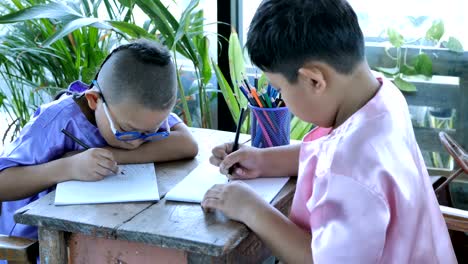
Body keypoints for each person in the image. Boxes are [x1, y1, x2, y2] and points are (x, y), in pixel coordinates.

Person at [202, 0, 456, 263]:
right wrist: (263, 160)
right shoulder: (382, 96)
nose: (282, 100)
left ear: (314, 80)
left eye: (279, 90)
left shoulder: (350, 168)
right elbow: (329, 151)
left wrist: (251, 209)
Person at [0, 39, 198, 243]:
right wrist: (68, 167)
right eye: (126, 131)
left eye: (150, 132)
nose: (136, 143)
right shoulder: (55, 121)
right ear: (94, 100)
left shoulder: (140, 111)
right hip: (35, 244)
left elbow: (187, 144)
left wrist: (114, 156)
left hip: (93, 234)